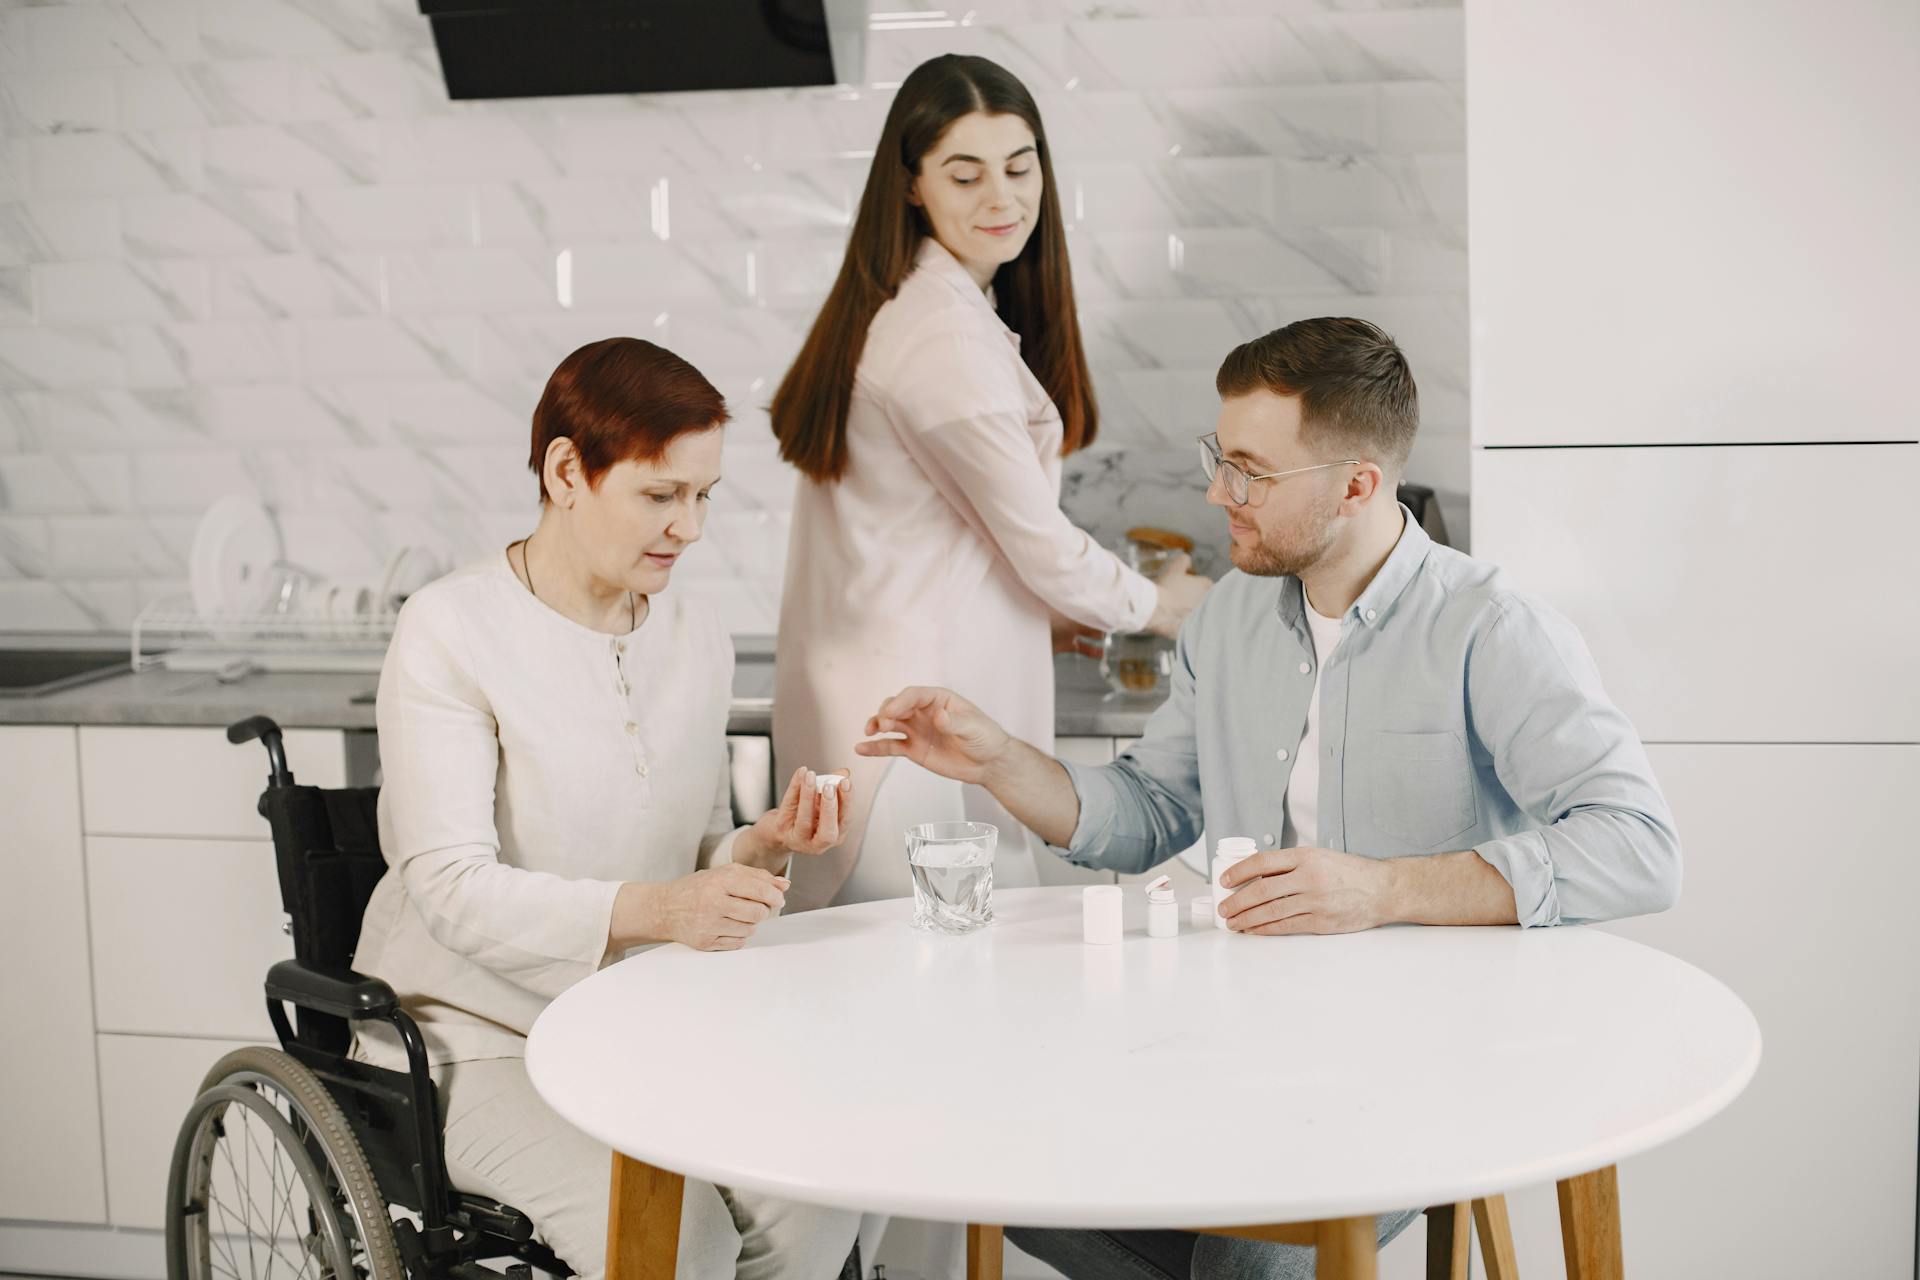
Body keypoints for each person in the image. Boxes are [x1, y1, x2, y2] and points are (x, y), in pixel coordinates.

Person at [854, 317, 1683, 1279]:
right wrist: (998, 759)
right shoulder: (1229, 621)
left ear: (1357, 486)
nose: (1218, 493)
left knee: (1243, 1264)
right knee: (983, 1172)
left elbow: (1639, 847)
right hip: (1244, 1042)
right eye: (1221, 457)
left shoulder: (1491, 629)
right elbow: (1149, 812)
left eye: (1249, 469)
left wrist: (1381, 891)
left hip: (1430, 1054)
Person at [353, 337, 862, 1280]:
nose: (691, 526)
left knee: (815, 1193)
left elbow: (692, 840)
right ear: (565, 472)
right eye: (662, 496)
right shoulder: (451, 630)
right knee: (682, 1243)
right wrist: (666, 910)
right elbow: (452, 889)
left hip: (638, 1016)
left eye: (704, 495)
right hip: (471, 1039)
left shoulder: (696, 632)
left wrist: (758, 846)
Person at [769, 53, 1211, 917]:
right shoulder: (943, 339)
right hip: (914, 744)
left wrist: (1043, 618)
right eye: (964, 175)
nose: (1002, 199)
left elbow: (931, 536)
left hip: (892, 719)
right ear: (910, 186)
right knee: (938, 995)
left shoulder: (917, 310)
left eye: (1020, 166)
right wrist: (1161, 606)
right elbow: (1039, 542)